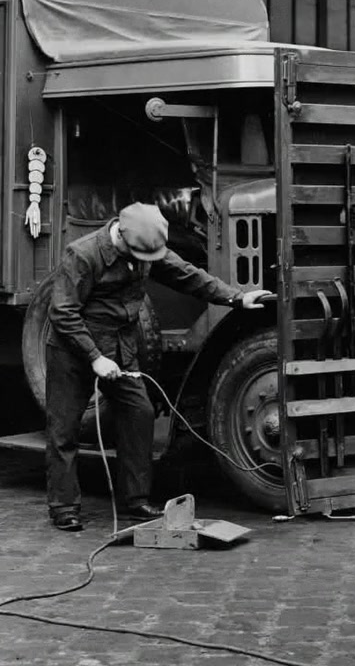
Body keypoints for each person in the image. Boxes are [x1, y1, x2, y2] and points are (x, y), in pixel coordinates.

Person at [44, 203, 271, 531]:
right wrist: (95, 357)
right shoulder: (82, 254)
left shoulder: (146, 248)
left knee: (140, 413)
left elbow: (188, 275)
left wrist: (236, 297)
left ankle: (135, 500)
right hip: (72, 351)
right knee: (64, 429)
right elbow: (62, 313)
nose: (144, 261)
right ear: (121, 236)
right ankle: (64, 507)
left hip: (120, 346)